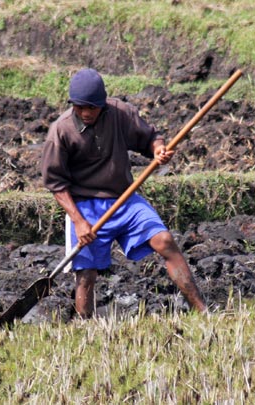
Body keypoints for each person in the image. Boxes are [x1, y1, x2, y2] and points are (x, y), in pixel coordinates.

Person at [41, 68, 206, 318]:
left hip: (123, 199)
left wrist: (158, 150)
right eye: (79, 107)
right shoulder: (60, 131)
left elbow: (150, 138)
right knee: (86, 273)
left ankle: (203, 311)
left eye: (92, 108)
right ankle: (85, 329)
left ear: (103, 105)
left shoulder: (121, 113)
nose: (85, 113)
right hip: (84, 206)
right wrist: (78, 221)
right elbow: (55, 183)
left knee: (165, 241)